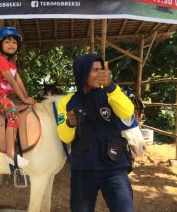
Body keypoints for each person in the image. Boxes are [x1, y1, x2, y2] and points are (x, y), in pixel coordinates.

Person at [57, 54, 135, 212]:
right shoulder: (66, 102)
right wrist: (69, 123)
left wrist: (111, 86)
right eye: (95, 70)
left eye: (102, 70)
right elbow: (64, 136)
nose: (100, 74)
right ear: (82, 72)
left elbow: (127, 112)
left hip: (114, 167)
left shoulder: (111, 92)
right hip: (83, 170)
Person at [0, 27, 35, 168]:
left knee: (26, 107)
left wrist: (27, 98)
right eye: (7, 41)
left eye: (14, 42)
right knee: (13, 113)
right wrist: (25, 99)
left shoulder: (11, 63)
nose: (11, 44)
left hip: (6, 96)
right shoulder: (1, 61)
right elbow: (12, 82)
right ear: (0, 45)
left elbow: (19, 81)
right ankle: (10, 154)